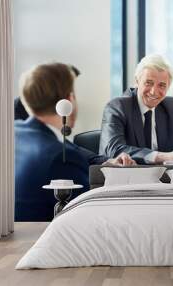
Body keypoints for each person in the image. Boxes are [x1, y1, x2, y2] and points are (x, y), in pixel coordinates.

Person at [15, 62, 135, 222]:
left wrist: (106, 163)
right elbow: (93, 214)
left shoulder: (18, 132)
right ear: (69, 100)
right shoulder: (59, 157)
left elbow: (73, 150)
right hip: (44, 239)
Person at [99, 54, 173, 165]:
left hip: (162, 181)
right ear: (137, 81)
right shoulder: (117, 107)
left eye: (161, 85)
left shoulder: (170, 107)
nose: (154, 91)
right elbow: (114, 150)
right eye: (149, 83)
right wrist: (163, 157)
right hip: (126, 180)